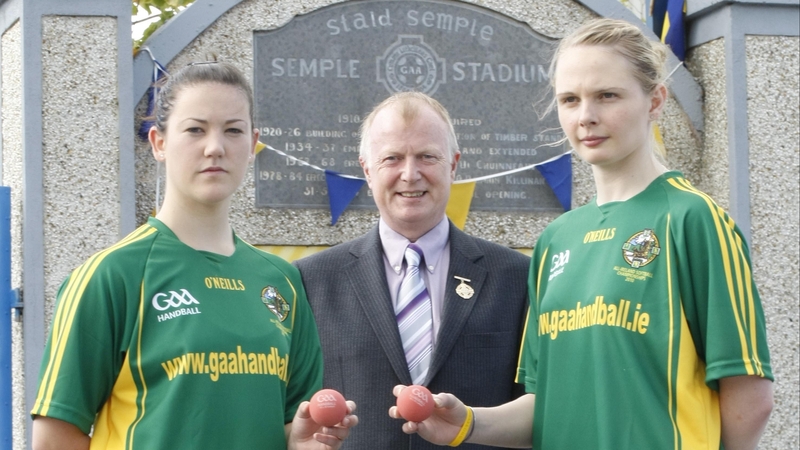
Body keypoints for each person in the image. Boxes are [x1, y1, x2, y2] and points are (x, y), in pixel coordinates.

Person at [389, 18, 774, 450]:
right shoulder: (556, 238)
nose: (586, 116)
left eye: (607, 96)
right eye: (570, 100)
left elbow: (749, 397)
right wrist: (467, 422)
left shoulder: (692, 219)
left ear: (656, 101)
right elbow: (545, 404)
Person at [30, 61, 357, 450]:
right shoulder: (111, 275)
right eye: (195, 129)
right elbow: (54, 437)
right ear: (159, 143)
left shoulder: (281, 281)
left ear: (253, 144)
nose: (215, 147)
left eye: (233, 130)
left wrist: (299, 439)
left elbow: (286, 423)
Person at [294, 91, 530, 449]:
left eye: (426, 157)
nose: (410, 173)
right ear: (367, 169)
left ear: (453, 164)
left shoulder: (517, 278)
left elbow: (535, 410)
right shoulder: (310, 281)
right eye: (392, 158)